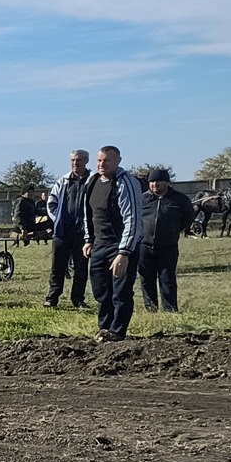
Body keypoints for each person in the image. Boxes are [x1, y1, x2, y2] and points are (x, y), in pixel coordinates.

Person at [81, 144, 144, 341]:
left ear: (118, 161)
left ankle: (117, 332)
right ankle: (104, 328)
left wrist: (124, 253)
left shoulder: (126, 183)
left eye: (107, 160)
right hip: (99, 245)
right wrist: (88, 239)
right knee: (101, 292)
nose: (102, 164)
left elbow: (132, 219)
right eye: (99, 160)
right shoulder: (92, 182)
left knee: (121, 293)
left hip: (120, 246)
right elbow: (88, 214)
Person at [138, 168, 193, 314]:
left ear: (167, 182)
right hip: (144, 246)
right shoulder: (142, 199)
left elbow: (188, 218)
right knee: (146, 278)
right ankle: (151, 308)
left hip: (168, 246)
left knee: (167, 278)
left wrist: (173, 231)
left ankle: (170, 309)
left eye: (158, 181)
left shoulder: (180, 199)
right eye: (152, 181)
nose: (155, 184)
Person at [45, 149, 91, 308]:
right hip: (63, 232)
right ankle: (52, 298)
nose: (75, 163)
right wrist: (58, 220)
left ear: (86, 160)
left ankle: (78, 299)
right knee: (57, 266)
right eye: (72, 160)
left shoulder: (93, 180)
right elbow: (51, 203)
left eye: (78, 160)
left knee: (81, 267)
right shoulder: (63, 180)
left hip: (83, 233)